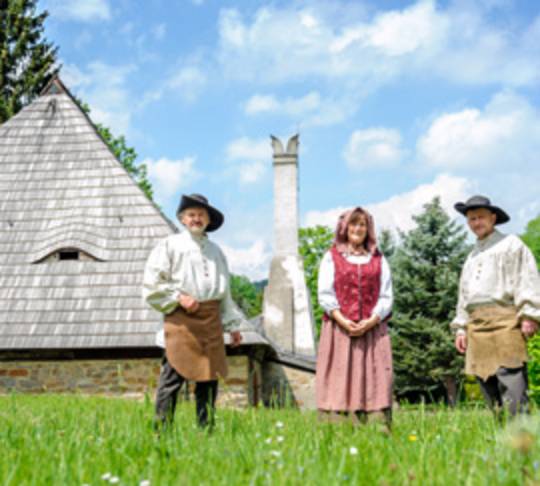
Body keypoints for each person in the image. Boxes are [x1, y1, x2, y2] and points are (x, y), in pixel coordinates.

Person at [143, 193, 244, 429]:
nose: (196, 219)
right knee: (171, 379)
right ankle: (161, 430)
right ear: (182, 219)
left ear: (208, 220)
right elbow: (152, 283)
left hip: (210, 321)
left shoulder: (216, 251)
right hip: (181, 320)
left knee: (209, 380)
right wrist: (178, 297)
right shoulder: (169, 245)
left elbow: (225, 292)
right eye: (191, 214)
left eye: (201, 215)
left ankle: (206, 430)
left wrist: (232, 326)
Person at [451, 195, 540, 416]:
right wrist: (461, 328)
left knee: (512, 382)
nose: (476, 223)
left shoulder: (511, 245)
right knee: (486, 381)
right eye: (471, 219)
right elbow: (464, 297)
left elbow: (526, 279)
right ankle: (501, 435)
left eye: (480, 217)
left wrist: (529, 314)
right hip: (477, 326)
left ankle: (521, 437)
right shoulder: (471, 257)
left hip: (505, 321)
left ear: (493, 218)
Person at [315, 207, 393, 428]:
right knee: (339, 374)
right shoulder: (332, 258)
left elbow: (386, 295)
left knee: (375, 375)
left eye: (362, 224)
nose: (358, 229)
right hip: (339, 329)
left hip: (373, 330)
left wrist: (372, 320)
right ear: (344, 228)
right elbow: (325, 293)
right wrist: (341, 319)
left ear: (368, 229)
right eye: (353, 224)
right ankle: (337, 428)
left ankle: (376, 426)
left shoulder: (378, 259)